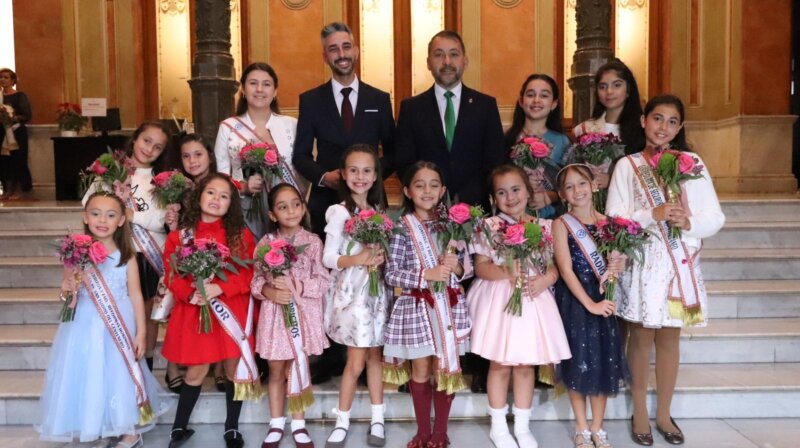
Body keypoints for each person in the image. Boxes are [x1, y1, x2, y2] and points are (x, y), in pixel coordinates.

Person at [606, 94, 725, 446]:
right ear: (643, 120)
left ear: (680, 127)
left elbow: (715, 217)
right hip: (644, 262)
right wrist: (650, 216)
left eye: (672, 121)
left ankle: (664, 413)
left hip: (679, 264)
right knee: (641, 337)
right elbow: (615, 216)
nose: (664, 127)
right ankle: (640, 410)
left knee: (670, 338)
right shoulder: (627, 166)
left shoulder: (691, 163)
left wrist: (687, 221)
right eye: (658, 118)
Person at [293, 21, 395, 385]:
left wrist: (367, 178)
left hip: (371, 204)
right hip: (326, 202)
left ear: (356, 50)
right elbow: (301, 155)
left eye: (346, 46)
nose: (341, 54)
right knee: (331, 275)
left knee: (369, 274)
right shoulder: (311, 100)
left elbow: (393, 151)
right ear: (325, 56)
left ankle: (368, 352)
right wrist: (327, 177)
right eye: (334, 49)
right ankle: (332, 352)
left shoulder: (379, 100)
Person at [36, 192, 167, 447]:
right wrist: (67, 287)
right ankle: (99, 426)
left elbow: (136, 295)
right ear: (85, 217)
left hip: (119, 322)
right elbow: (66, 294)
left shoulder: (126, 255)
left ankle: (128, 429)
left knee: (119, 373)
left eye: (110, 215)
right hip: (83, 322)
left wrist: (141, 332)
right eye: (95, 213)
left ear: (121, 221)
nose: (102, 220)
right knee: (90, 372)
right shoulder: (75, 253)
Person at [467, 164, 571, 448]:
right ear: (493, 199)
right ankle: (498, 426)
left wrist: (546, 279)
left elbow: (555, 267)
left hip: (533, 299)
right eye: (501, 193)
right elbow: (481, 267)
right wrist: (507, 272)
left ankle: (523, 426)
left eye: (515, 190)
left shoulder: (545, 227)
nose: (510, 197)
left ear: (528, 192)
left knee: (526, 365)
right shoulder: (488, 227)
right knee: (500, 364)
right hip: (499, 301)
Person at [162, 174, 258, 448]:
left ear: (232, 204)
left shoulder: (240, 235)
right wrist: (190, 293)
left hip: (229, 311)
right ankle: (179, 427)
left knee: (231, 370)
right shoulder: (179, 236)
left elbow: (249, 273)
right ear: (199, 196)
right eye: (211, 193)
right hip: (195, 311)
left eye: (224, 196)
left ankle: (231, 428)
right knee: (195, 371)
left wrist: (221, 289)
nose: (216, 199)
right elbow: (171, 274)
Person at [384, 161, 472, 448]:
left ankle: (440, 431)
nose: (427, 190)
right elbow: (391, 273)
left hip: (448, 305)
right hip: (417, 309)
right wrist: (427, 275)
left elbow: (467, 268)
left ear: (443, 190)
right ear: (407, 191)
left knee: (443, 367)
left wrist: (457, 267)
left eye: (434, 184)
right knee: (420, 369)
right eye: (419, 185)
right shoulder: (400, 227)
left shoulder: (454, 226)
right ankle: (423, 430)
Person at [82, 121, 173, 374]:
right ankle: (117, 365)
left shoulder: (161, 181)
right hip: (114, 252)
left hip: (149, 255)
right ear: (135, 139)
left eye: (157, 147)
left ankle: (144, 367)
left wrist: (131, 215)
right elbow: (88, 202)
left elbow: (160, 219)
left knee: (146, 312)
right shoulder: (112, 170)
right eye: (146, 141)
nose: (149, 149)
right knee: (117, 308)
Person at [552, 164, 629, 448]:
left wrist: (618, 267)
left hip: (603, 299)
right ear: (562, 194)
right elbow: (565, 269)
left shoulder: (610, 224)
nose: (577, 191)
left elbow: (616, 263)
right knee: (578, 363)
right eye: (570, 187)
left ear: (594, 185)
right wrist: (589, 304)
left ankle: (598, 426)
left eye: (581, 184)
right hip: (575, 301)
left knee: (603, 362)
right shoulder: (561, 224)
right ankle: (582, 427)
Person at [322, 145, 391, 448]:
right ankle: (342, 420)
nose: (360, 177)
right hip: (353, 295)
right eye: (353, 170)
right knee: (356, 362)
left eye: (366, 171)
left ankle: (378, 418)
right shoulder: (339, 211)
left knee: (376, 357)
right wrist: (360, 258)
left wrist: (380, 258)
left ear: (376, 175)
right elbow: (328, 258)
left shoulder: (378, 213)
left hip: (377, 294)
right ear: (343, 174)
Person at [252, 183, 330, 448]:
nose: (291, 210)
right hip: (275, 316)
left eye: (296, 204)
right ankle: (276, 423)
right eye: (282, 206)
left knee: (298, 368)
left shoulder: (313, 241)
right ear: (272, 214)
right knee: (276, 371)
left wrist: (298, 286)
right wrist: (268, 291)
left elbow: (323, 281)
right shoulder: (265, 244)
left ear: (304, 207)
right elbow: (254, 281)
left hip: (303, 317)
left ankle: (298, 424)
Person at [395, 30, 505, 211]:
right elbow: (404, 162)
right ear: (429, 63)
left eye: (454, 54)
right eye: (439, 55)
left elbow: (495, 160)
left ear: (465, 61)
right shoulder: (411, 108)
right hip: (425, 210)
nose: (447, 61)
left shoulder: (485, 105)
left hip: (474, 210)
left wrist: (467, 199)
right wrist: (429, 194)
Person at [215, 62, 302, 241]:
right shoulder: (228, 127)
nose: (260, 89)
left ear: (275, 91)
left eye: (267, 84)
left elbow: (302, 169)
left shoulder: (291, 125)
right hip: (245, 209)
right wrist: (244, 187)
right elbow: (221, 177)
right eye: (253, 83)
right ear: (243, 90)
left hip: (286, 211)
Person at [162, 133, 218, 394]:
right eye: (186, 156)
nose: (193, 160)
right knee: (177, 310)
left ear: (210, 156)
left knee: (216, 308)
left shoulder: (221, 183)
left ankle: (218, 367)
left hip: (213, 253)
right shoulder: (178, 186)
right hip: (182, 253)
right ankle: (173, 367)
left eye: (198, 154)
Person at [504, 74, 571, 219]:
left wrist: (549, 197)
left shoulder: (562, 142)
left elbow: (571, 184)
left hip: (554, 218)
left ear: (554, 104)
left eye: (544, 95)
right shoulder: (508, 140)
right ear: (521, 101)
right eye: (530, 95)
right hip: (514, 218)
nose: (536, 100)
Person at [573, 59, 645, 187]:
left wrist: (612, 180)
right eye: (603, 87)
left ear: (628, 89)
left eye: (617, 85)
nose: (609, 92)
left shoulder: (643, 129)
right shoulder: (584, 130)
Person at [0, 68, 33, 199]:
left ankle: (19, 190)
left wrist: (11, 117)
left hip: (16, 132)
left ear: (13, 80)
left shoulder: (20, 96)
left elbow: (27, 115)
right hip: (1, 133)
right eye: (1, 77)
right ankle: (7, 189)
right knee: (3, 161)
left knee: (17, 160)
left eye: (6, 77)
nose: (2, 79)